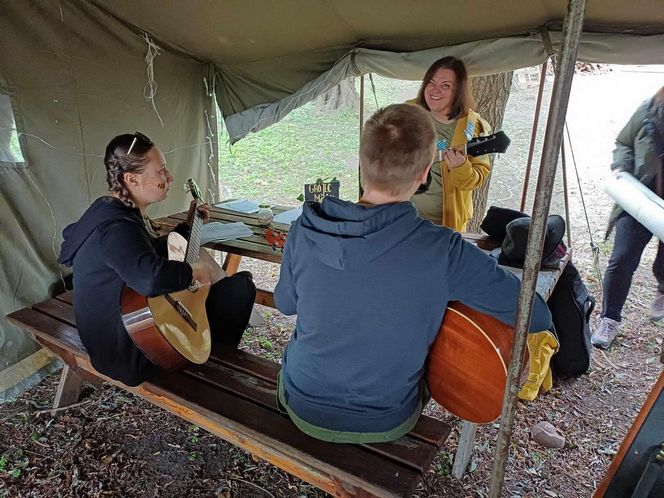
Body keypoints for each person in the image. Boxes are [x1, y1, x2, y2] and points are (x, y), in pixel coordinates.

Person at [274, 104, 552, 443]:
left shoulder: (304, 228)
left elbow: (286, 304)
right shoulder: (443, 250)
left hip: (302, 403)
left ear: (363, 162)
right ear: (424, 174)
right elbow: (535, 315)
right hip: (385, 419)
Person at [58, 132, 256, 386]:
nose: (170, 177)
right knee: (239, 290)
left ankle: (202, 352)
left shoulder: (110, 210)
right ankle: (210, 367)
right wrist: (193, 271)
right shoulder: (116, 227)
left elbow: (141, 253)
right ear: (131, 179)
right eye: (161, 171)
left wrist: (187, 227)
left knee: (233, 287)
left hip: (121, 333)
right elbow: (149, 279)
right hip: (129, 351)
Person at [591, 87, 664, 349]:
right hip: (639, 197)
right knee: (622, 258)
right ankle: (609, 318)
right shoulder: (648, 109)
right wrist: (621, 168)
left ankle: (663, 289)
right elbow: (624, 142)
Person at [409, 56, 492, 232]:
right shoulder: (406, 113)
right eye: (431, 82)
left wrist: (461, 167)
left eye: (445, 85)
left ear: (458, 92)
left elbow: (478, 177)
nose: (434, 90)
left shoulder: (474, 127)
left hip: (443, 225)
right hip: (400, 218)